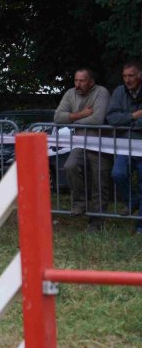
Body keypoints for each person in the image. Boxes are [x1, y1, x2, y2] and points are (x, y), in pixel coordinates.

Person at [54, 68, 111, 231]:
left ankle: (96, 222)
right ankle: (80, 203)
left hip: (101, 143)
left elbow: (97, 119)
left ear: (91, 82)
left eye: (82, 81)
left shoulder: (101, 92)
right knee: (70, 166)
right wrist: (81, 115)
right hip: (80, 142)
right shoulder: (70, 93)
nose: (78, 84)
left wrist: (71, 119)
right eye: (76, 80)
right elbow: (57, 117)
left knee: (99, 181)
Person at [106, 60, 142, 233]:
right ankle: (132, 201)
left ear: (139, 76)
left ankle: (140, 226)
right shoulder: (119, 92)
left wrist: (127, 121)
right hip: (125, 145)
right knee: (117, 174)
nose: (127, 79)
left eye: (131, 76)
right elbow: (111, 118)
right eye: (124, 76)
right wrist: (134, 116)